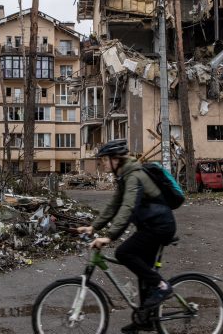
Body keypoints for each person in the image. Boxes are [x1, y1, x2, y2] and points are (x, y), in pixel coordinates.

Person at [77, 139, 177, 333]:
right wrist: (93, 227)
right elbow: (113, 206)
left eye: (105, 160)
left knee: (124, 253)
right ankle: (145, 318)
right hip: (150, 227)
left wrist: (110, 236)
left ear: (116, 160)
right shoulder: (125, 176)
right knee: (143, 272)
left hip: (159, 227)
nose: (103, 163)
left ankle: (163, 286)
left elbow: (128, 207)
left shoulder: (134, 176)